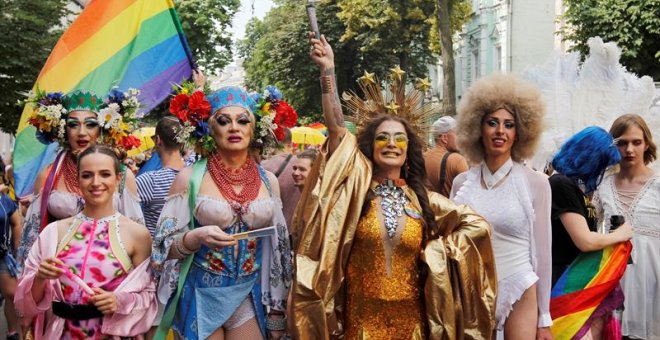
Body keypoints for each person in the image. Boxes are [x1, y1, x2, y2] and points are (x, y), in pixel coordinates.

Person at [291, 33, 496, 339]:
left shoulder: (423, 201)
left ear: (408, 148)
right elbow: (336, 127)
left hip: (412, 325)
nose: (390, 144)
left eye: (399, 138)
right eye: (382, 137)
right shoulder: (354, 194)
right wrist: (327, 71)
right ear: (369, 146)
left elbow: (477, 226)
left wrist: (438, 254)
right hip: (361, 325)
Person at [151, 85, 292, 340]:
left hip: (249, 294)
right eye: (224, 121)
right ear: (210, 129)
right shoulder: (189, 178)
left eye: (243, 121)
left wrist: (277, 309)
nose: (234, 128)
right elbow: (160, 249)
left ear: (254, 129)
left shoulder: (269, 180)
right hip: (200, 294)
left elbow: (278, 246)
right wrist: (193, 238)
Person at [14, 145, 157, 339]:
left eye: (105, 174)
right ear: (78, 180)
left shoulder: (138, 235)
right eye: (87, 175)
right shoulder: (54, 232)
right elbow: (25, 302)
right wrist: (40, 277)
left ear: (117, 179)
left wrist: (119, 301)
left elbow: (149, 296)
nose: (96, 182)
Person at [450, 73, 553, 339]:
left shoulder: (537, 183)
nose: (500, 131)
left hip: (519, 286)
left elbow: (543, 254)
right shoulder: (461, 183)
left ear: (519, 132)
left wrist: (544, 319)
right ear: (477, 127)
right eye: (492, 123)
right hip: (471, 291)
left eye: (509, 125)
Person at [16, 90, 144, 269]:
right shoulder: (48, 175)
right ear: (63, 129)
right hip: (58, 269)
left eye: (90, 124)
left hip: (109, 270)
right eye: (73, 125)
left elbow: (136, 235)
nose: (81, 132)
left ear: (102, 128)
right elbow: (32, 238)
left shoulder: (121, 176)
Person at [549, 126, 633, 338]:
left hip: (580, 282)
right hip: (563, 283)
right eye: (602, 164)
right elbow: (584, 240)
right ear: (589, 159)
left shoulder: (575, 188)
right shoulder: (560, 184)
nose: (603, 171)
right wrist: (619, 235)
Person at [593, 114, 659, 339]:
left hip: (654, 283)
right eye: (622, 143)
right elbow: (592, 234)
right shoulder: (602, 186)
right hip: (614, 282)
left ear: (646, 144)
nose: (629, 149)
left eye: (636, 142)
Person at [136, 117, 186, 236]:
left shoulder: (149, 181)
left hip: (157, 251)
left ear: (158, 140)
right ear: (182, 141)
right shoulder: (195, 175)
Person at [423, 116, 468, 197]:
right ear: (444, 138)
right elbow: (471, 193)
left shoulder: (422, 158)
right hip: (451, 209)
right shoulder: (457, 160)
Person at [262, 128, 299, 226]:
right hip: (295, 226)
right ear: (291, 143)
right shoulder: (302, 164)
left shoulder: (264, 166)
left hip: (273, 227)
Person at [0, 187, 21, 340]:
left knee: (12, 294)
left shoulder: (4, 199)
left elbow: (16, 223)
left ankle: (13, 332)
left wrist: (17, 251)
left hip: (2, 255)